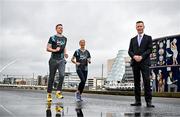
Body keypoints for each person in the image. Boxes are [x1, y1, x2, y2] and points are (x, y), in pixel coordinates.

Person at [128, 21, 154, 107]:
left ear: (143, 27)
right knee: (136, 82)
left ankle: (148, 101)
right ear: (136, 28)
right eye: (138, 26)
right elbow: (129, 51)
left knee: (146, 81)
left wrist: (142, 57)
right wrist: (134, 56)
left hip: (145, 62)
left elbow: (150, 49)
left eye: (140, 26)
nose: (139, 28)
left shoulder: (148, 38)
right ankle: (137, 101)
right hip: (135, 63)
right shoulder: (133, 39)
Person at [46, 24, 68, 102]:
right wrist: (55, 50)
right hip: (53, 59)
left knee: (62, 75)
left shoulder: (65, 38)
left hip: (62, 60)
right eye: (59, 28)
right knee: (52, 77)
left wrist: (65, 53)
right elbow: (47, 48)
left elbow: (64, 47)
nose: (61, 29)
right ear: (56, 29)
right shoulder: (52, 38)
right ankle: (49, 94)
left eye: (62, 28)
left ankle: (58, 92)